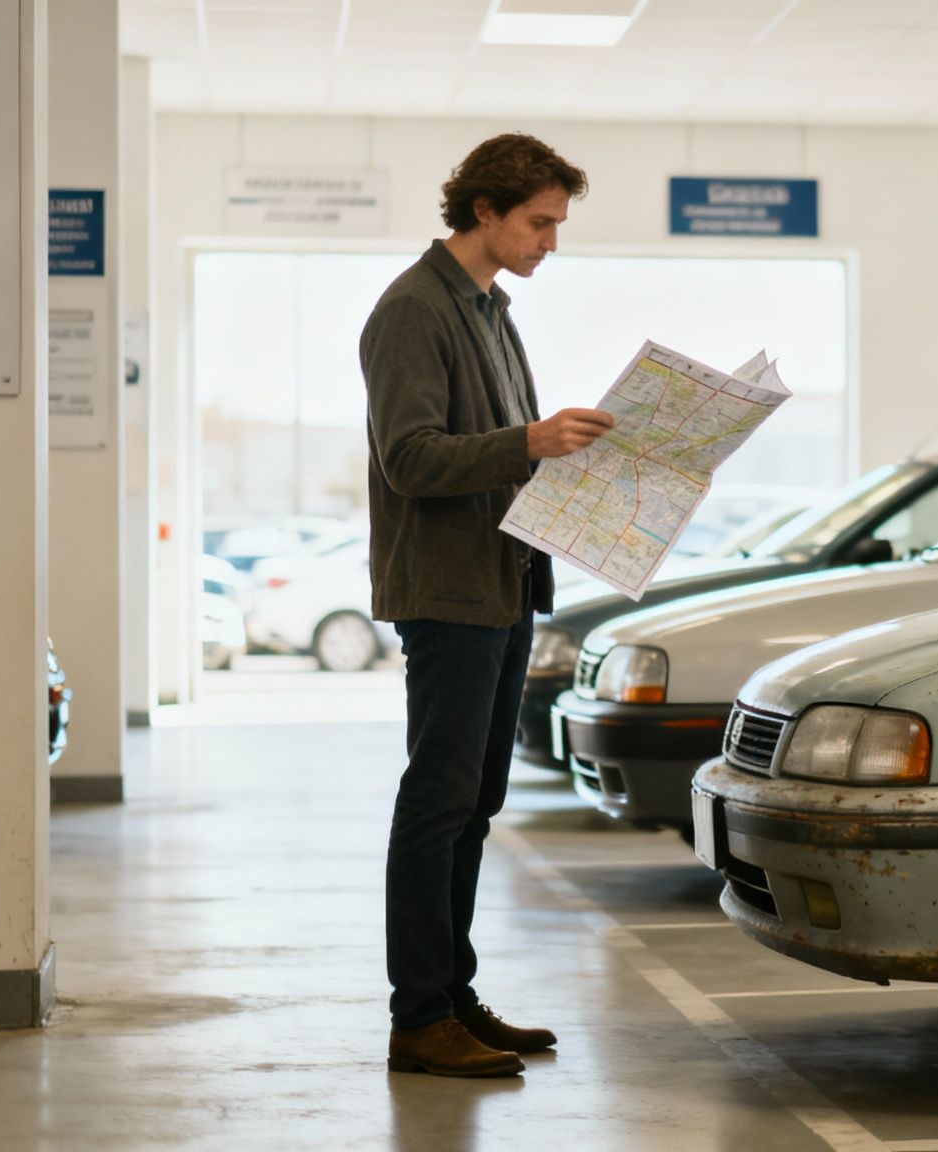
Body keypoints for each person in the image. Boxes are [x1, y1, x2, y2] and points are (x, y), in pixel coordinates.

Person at [361, 133, 614, 1078]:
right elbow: (413, 457)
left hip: (503, 585)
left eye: (556, 223)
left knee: (476, 800)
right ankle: (419, 1016)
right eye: (539, 222)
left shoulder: (491, 310)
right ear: (484, 212)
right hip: (449, 590)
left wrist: (565, 455)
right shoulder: (411, 311)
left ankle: (454, 999)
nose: (551, 240)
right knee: (438, 801)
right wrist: (533, 441)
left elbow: (514, 449)